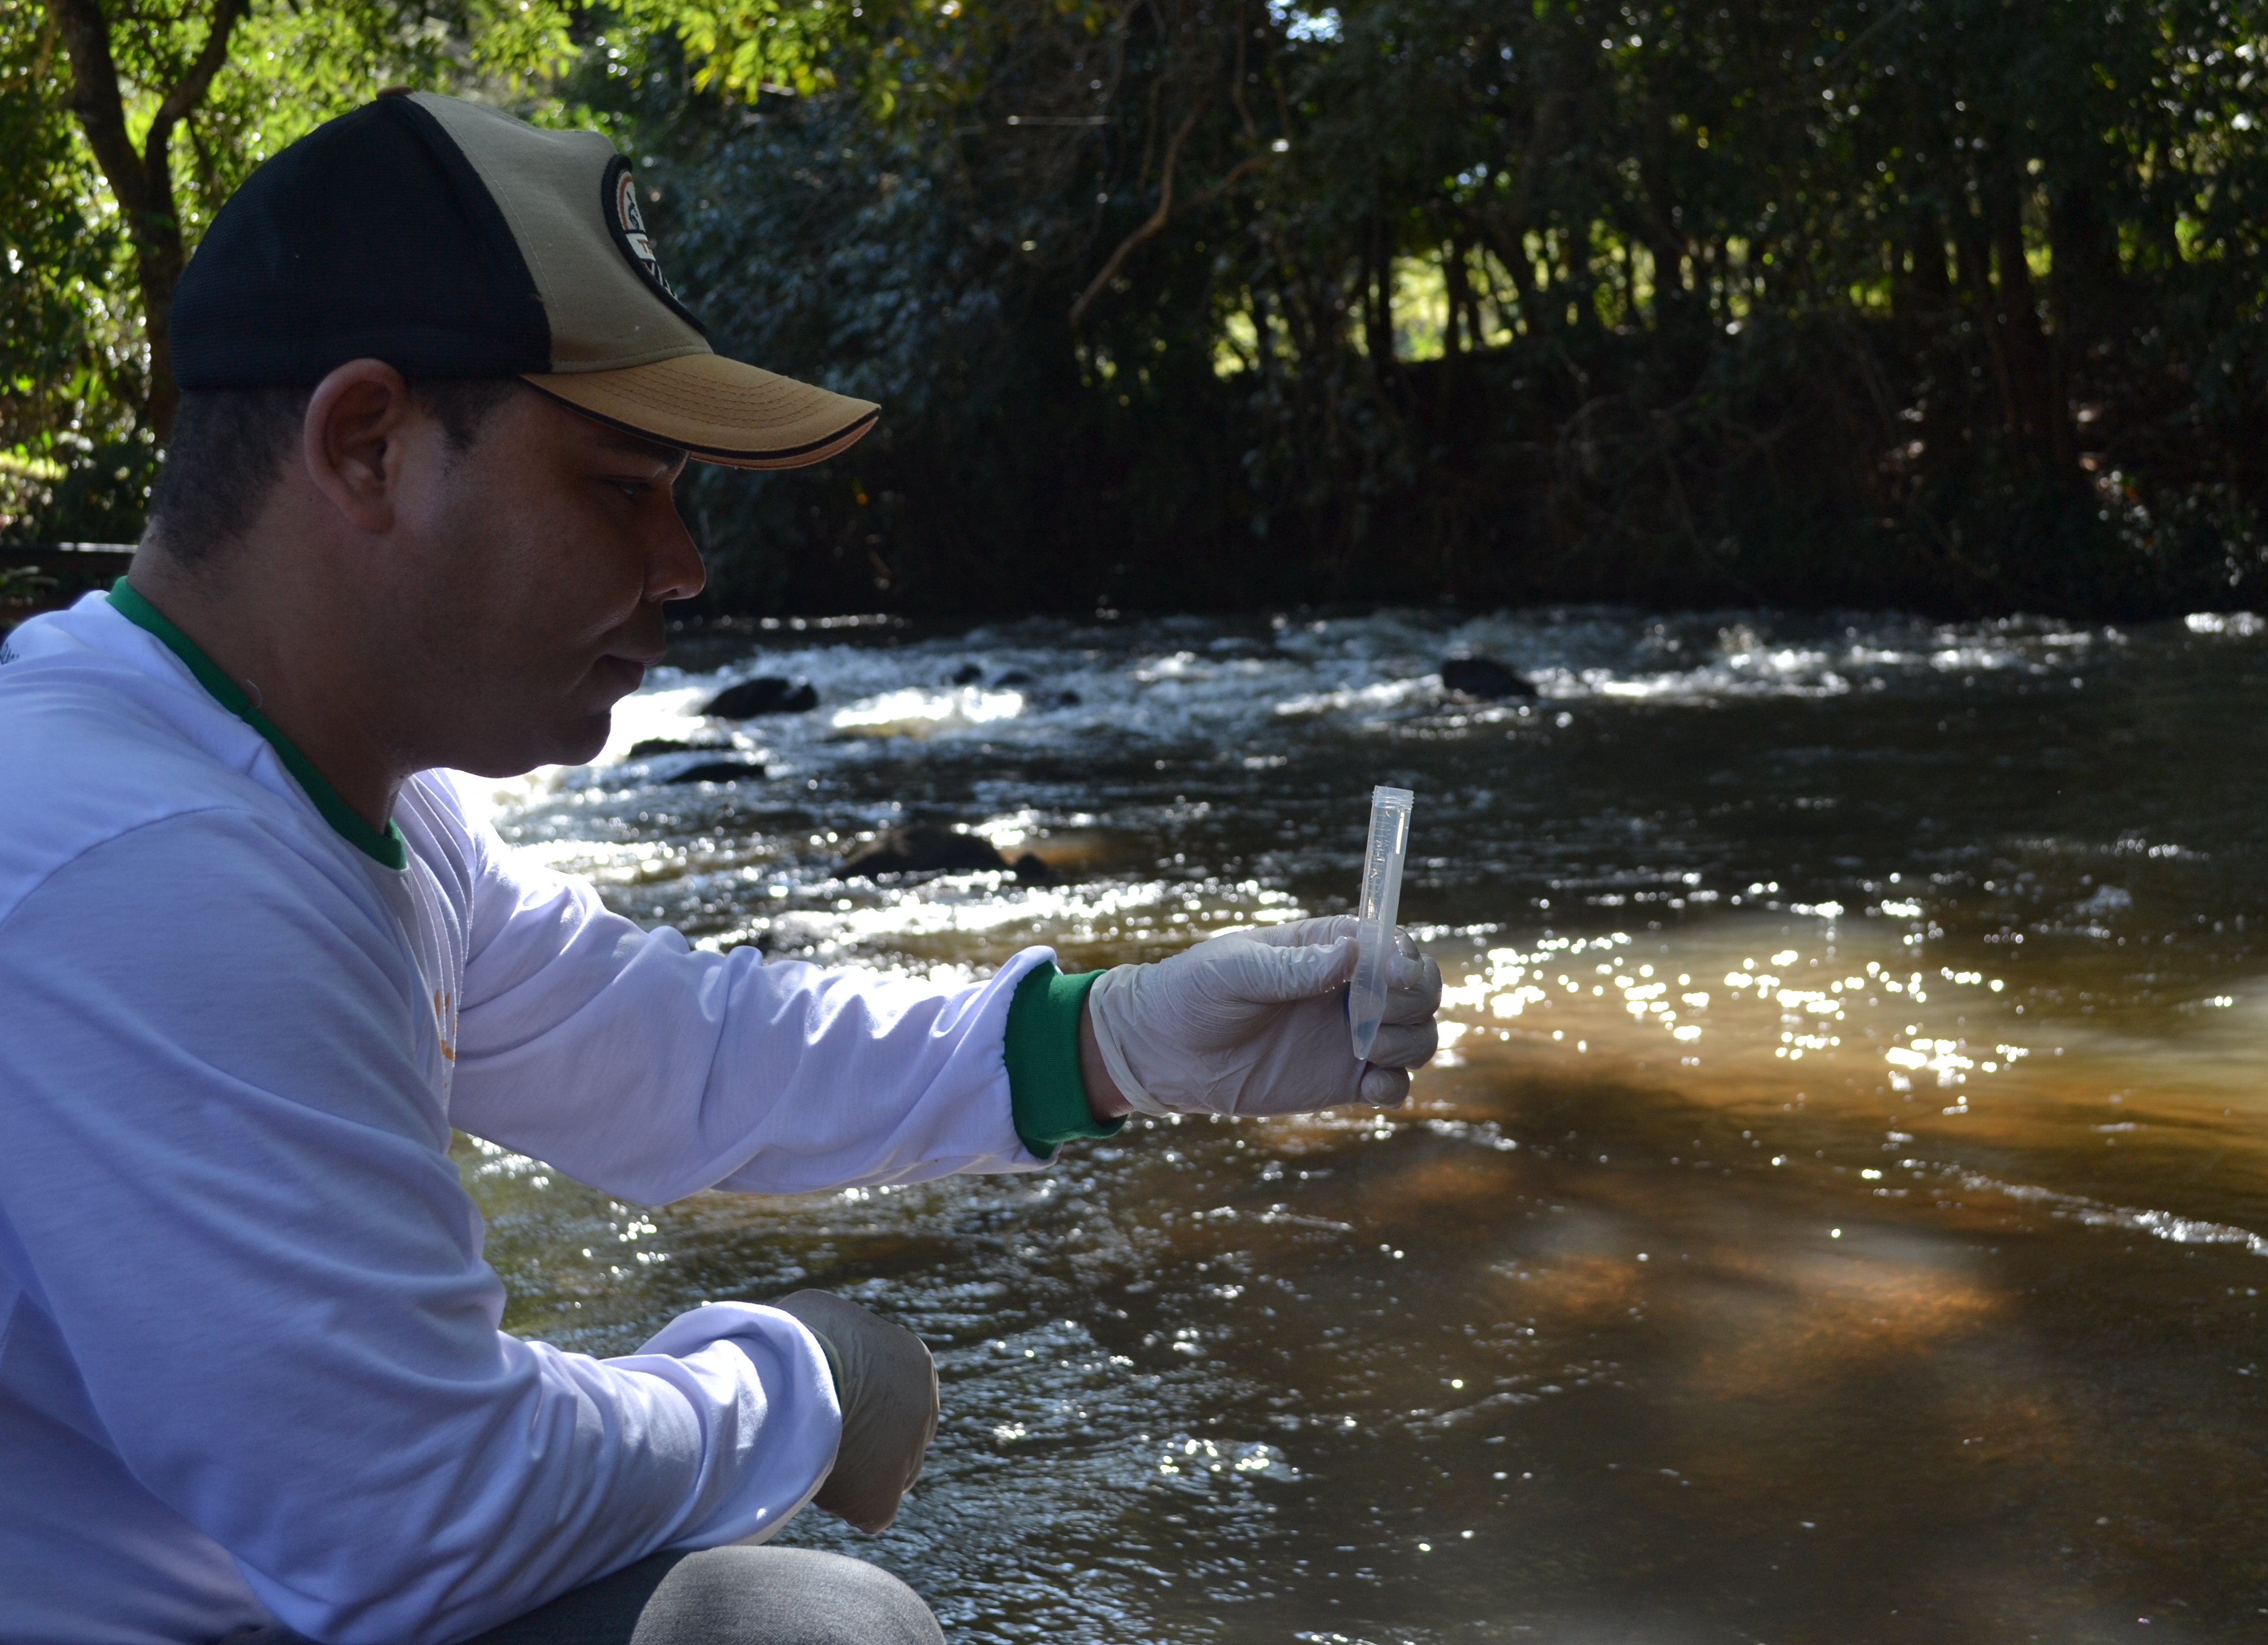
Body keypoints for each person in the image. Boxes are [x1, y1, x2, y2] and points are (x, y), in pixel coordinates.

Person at [0, 91, 1441, 1645]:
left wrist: (1106, 1040)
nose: (683, 567)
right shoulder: (142, 857)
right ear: (368, 445)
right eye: (624, 488)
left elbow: (669, 1046)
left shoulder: (335, 793)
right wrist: (803, 1377)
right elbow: (436, 1522)